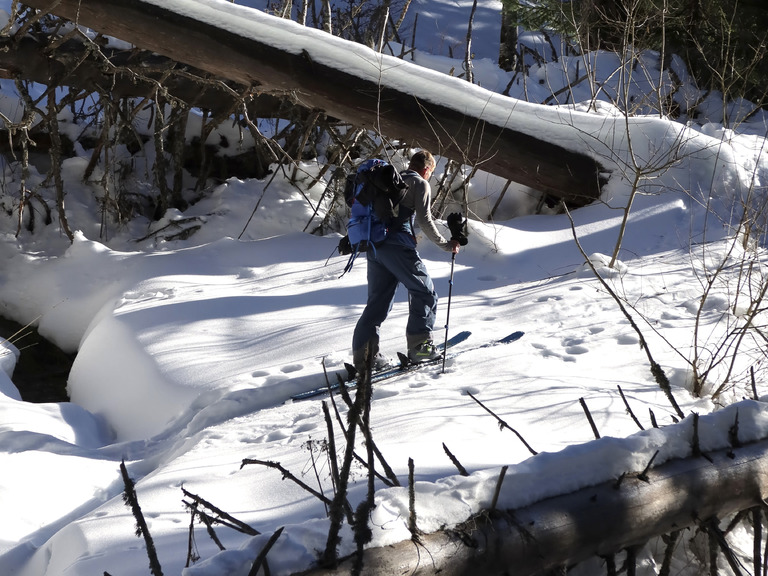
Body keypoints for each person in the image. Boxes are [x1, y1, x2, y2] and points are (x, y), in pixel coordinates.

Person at [351, 150, 461, 371]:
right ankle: (421, 348)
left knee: (378, 302)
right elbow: (425, 220)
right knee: (424, 292)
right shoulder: (420, 183)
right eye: (431, 172)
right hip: (399, 247)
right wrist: (446, 244)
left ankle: (365, 357)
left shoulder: (391, 180)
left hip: (374, 247)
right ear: (427, 168)